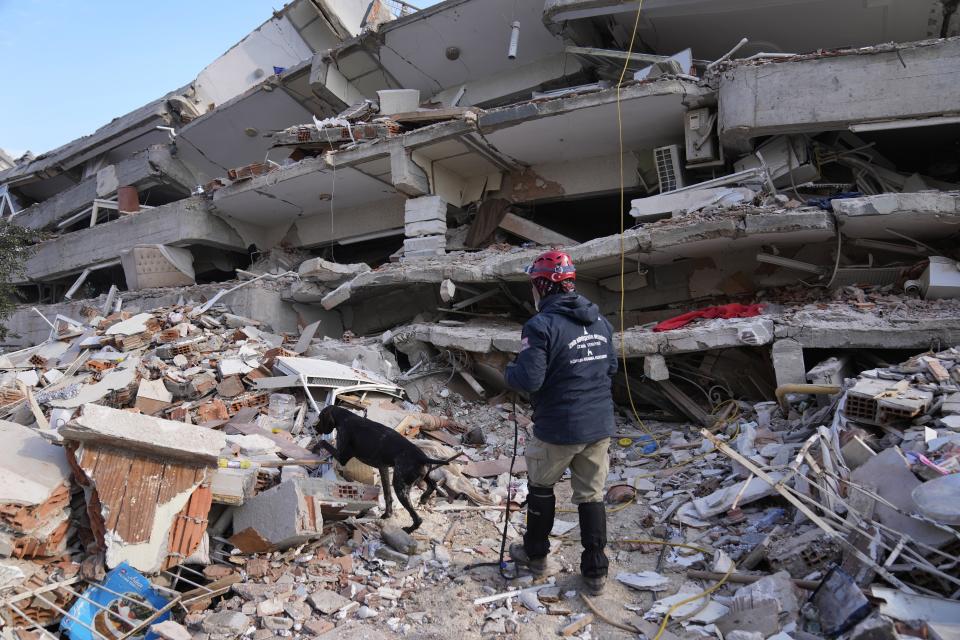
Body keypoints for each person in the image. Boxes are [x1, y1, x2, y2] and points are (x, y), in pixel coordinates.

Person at [504, 250, 617, 595]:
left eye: (533, 287)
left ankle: (536, 555)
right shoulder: (600, 322)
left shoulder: (540, 326)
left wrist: (509, 371)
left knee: (541, 488)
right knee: (591, 495)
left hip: (558, 428)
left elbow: (529, 380)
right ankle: (595, 572)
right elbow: (609, 368)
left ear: (541, 286)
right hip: (598, 426)